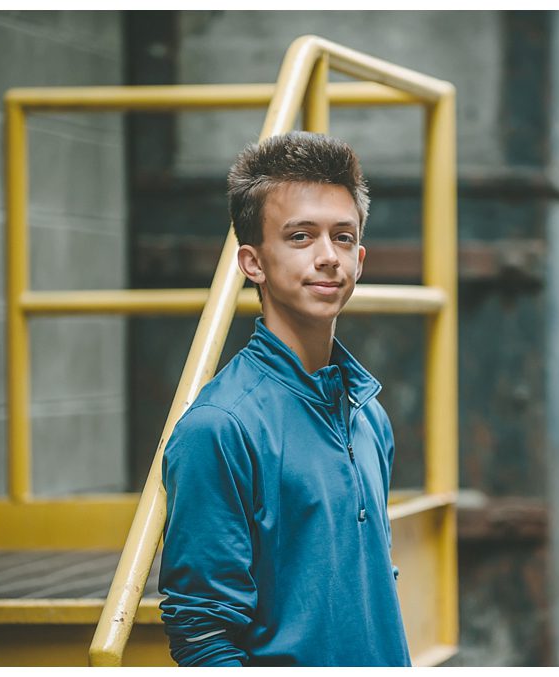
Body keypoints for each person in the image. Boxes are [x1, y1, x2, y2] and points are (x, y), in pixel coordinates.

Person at [158, 131, 410, 666]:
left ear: (360, 259)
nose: (327, 257)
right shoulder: (220, 428)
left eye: (343, 238)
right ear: (253, 263)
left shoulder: (369, 416)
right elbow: (202, 637)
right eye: (300, 237)